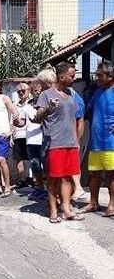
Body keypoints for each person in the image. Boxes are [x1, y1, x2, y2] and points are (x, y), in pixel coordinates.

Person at [34, 62, 84, 223]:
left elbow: (77, 118)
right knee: (53, 178)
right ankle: (54, 211)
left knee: (67, 178)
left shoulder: (71, 94)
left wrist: (77, 140)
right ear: (61, 77)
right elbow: (37, 118)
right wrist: (48, 108)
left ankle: (67, 209)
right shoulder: (46, 95)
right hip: (54, 143)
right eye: (71, 76)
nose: (73, 79)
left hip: (70, 143)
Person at [79, 62, 114, 217]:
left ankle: (112, 205)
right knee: (94, 175)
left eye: (100, 75)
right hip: (95, 142)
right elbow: (87, 111)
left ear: (110, 77)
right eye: (96, 74)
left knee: (112, 175)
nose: (97, 78)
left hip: (111, 143)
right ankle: (93, 203)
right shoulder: (97, 92)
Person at [12, 83, 32, 189]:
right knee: (18, 158)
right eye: (19, 91)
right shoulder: (15, 105)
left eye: (23, 91)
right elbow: (12, 121)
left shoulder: (32, 104)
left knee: (29, 158)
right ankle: (22, 179)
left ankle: (31, 178)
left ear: (28, 91)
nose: (21, 93)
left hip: (30, 134)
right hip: (18, 135)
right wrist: (11, 135)